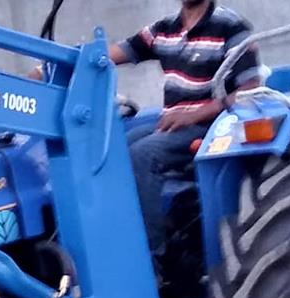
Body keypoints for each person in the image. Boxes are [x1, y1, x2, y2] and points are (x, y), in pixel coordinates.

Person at [38, 0, 264, 255]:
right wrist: (52, 66)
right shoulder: (165, 29)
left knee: (142, 154)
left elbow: (251, 91)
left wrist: (197, 113)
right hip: (173, 125)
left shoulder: (231, 27)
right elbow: (107, 55)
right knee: (113, 148)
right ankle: (115, 241)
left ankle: (150, 257)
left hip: (213, 127)